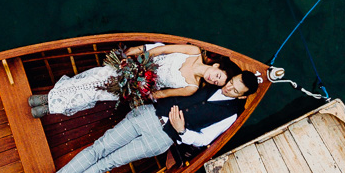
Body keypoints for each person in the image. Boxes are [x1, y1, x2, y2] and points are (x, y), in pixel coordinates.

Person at [27, 68, 259, 173]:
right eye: (232, 81)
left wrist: (182, 131)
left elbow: (204, 140)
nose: (228, 86)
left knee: (110, 162)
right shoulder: (215, 80)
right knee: (100, 148)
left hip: (161, 139)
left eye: (234, 89)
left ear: (241, 96)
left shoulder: (230, 115)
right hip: (147, 115)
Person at [28, 43, 230, 118]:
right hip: (137, 65)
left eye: (216, 83)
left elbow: (161, 93)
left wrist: (140, 90)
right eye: (218, 76)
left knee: (97, 92)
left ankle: (49, 106)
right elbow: (163, 50)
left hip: (136, 86)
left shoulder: (191, 88)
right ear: (216, 67)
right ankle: (49, 99)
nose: (213, 79)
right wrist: (140, 59)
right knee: (93, 77)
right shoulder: (194, 52)